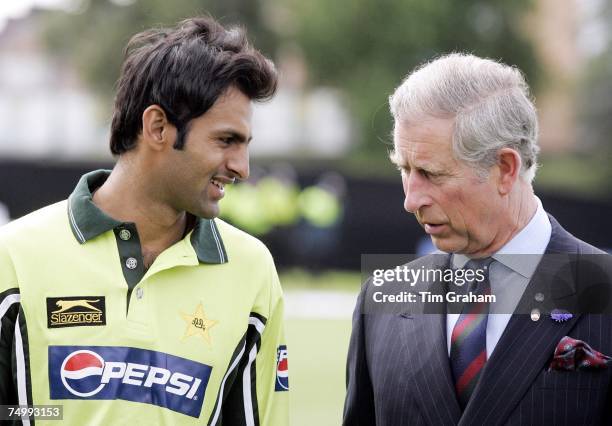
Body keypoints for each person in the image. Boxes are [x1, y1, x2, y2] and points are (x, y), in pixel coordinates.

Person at [0, 16, 288, 425]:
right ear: (157, 127)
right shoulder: (13, 256)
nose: (242, 168)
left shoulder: (252, 270)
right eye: (226, 140)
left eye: (244, 145)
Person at [344, 53, 612, 425]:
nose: (411, 200)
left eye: (430, 173)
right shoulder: (382, 299)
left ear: (505, 169)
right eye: (405, 169)